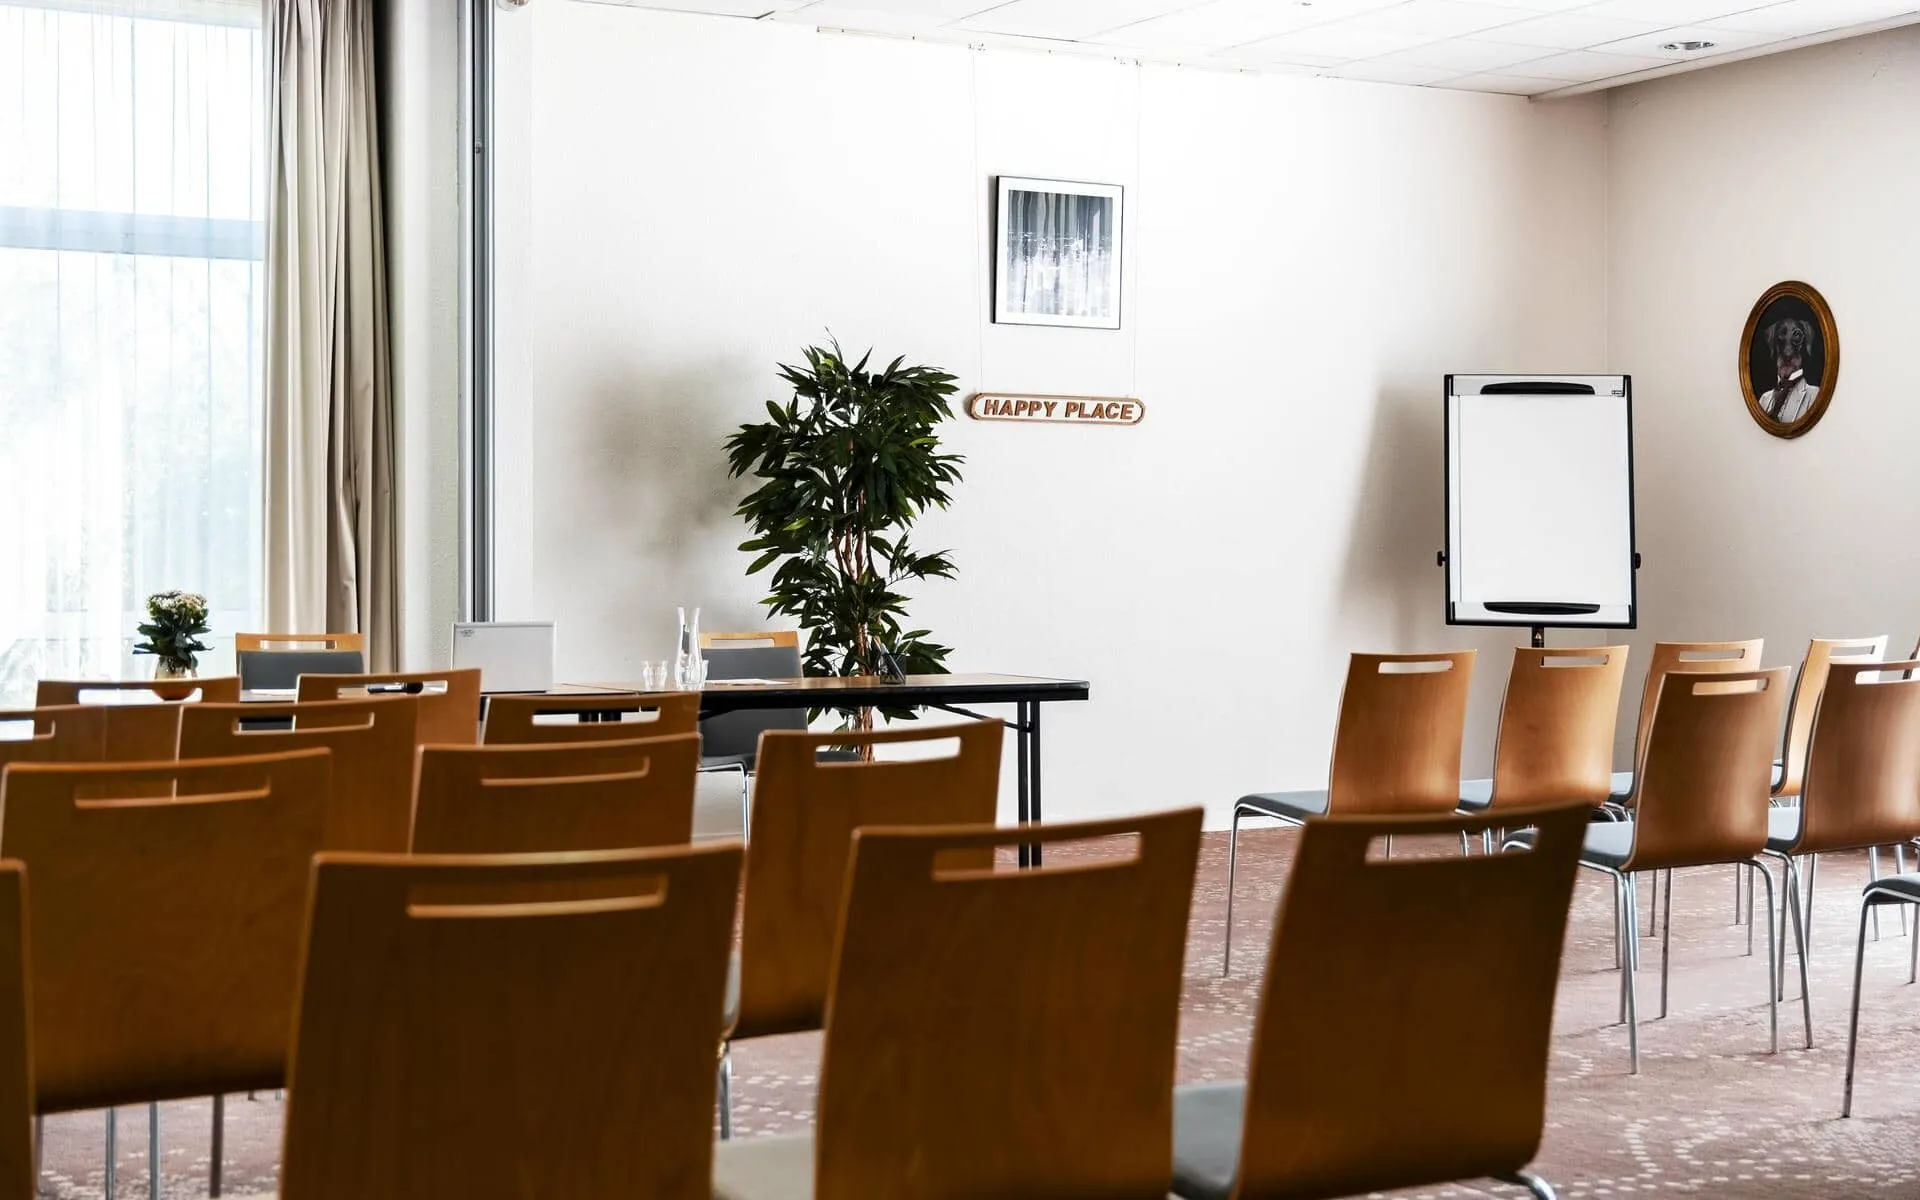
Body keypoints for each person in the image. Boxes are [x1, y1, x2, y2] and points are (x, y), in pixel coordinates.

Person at [1758, 317, 1820, 423]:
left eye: (1796, 337)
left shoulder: (1814, 395)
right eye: (1781, 338)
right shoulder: (1764, 399)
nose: (1787, 352)